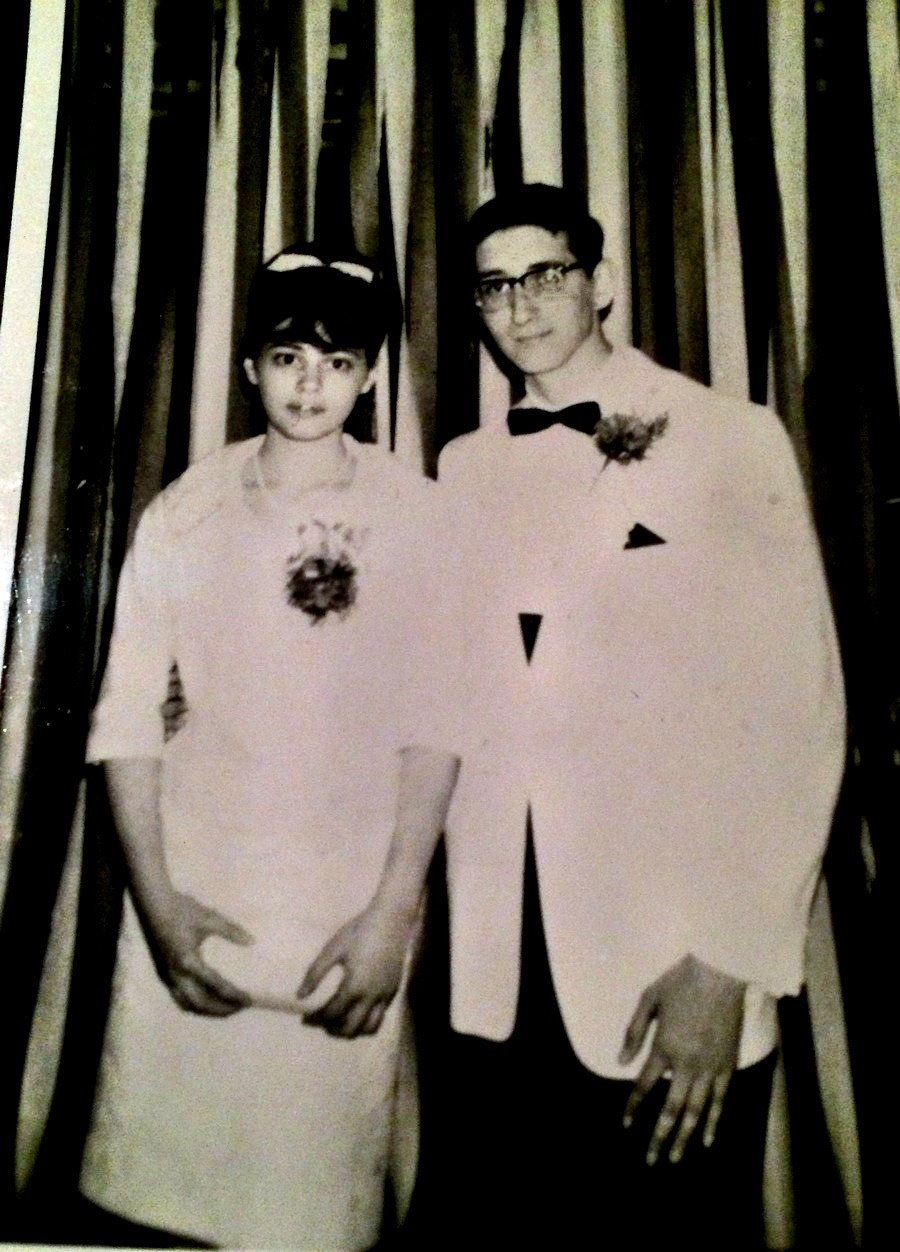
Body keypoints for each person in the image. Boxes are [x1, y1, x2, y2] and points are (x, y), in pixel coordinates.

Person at [405, 184, 846, 1248]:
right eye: (495, 286)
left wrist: (728, 963)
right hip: (496, 974)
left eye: (546, 274)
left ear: (600, 282)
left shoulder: (730, 442)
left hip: (667, 966)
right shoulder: (461, 467)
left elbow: (798, 717)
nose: (521, 306)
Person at [80, 246, 459, 1251]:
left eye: (338, 363)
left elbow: (439, 727)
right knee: (167, 1204)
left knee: (309, 1209)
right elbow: (124, 722)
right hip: (197, 890)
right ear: (251, 364)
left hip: (345, 904)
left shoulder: (419, 516)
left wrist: (393, 913)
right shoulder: (186, 511)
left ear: (371, 375)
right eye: (288, 355)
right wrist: (158, 910)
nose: (309, 384)